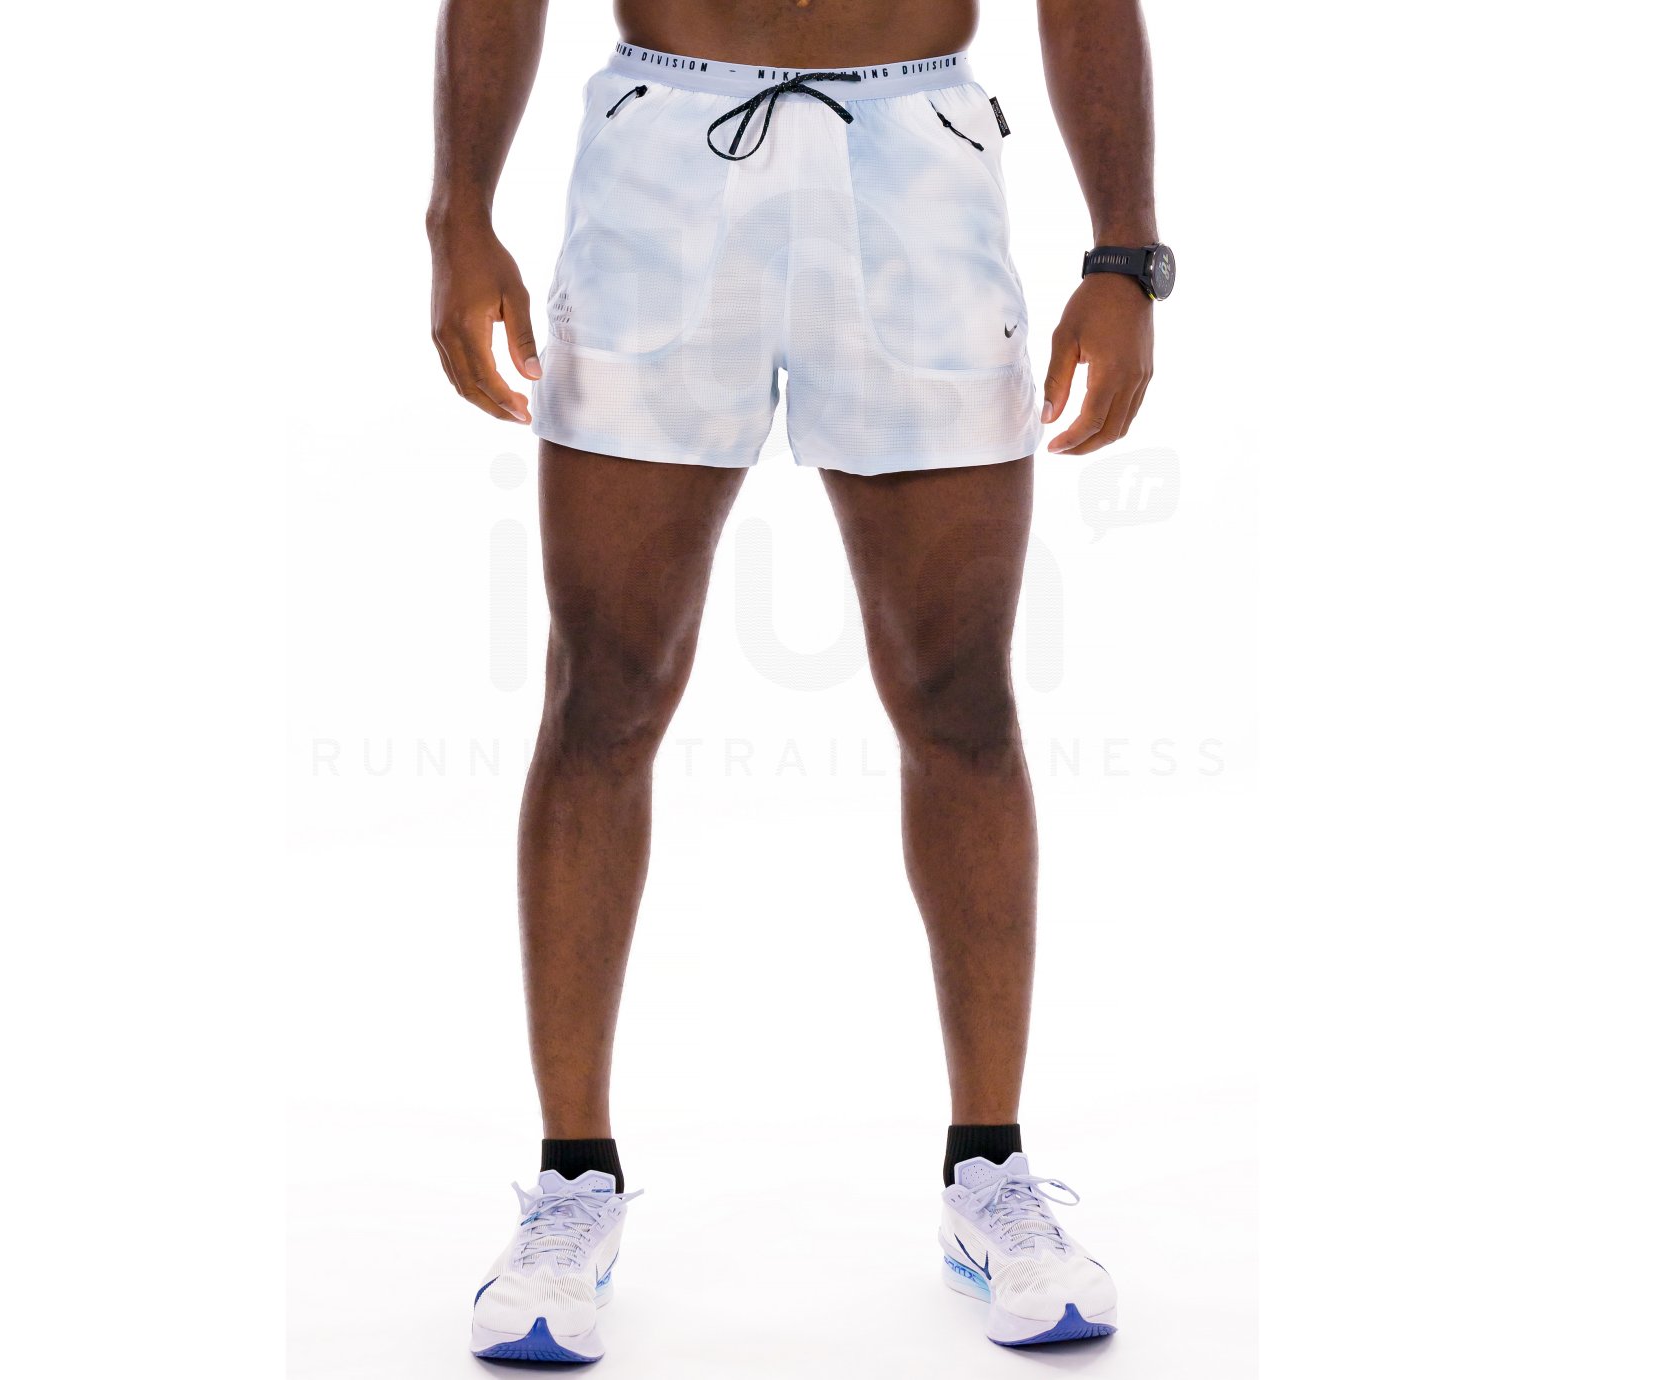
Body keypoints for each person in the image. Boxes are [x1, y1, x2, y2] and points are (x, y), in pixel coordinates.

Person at [427, 0, 1171, 1360]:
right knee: (603, 693)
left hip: (919, 153)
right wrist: (457, 213)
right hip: (662, 155)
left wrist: (1124, 254)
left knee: (960, 698)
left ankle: (989, 1177)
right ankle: (572, 1186)